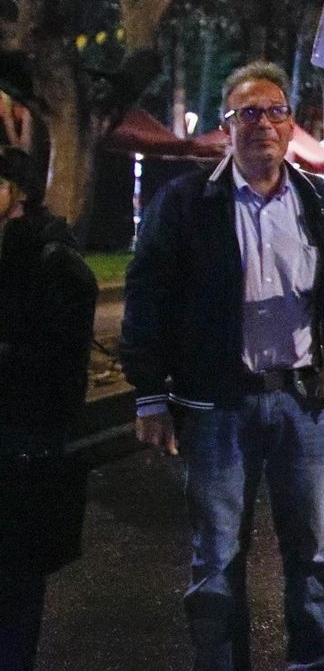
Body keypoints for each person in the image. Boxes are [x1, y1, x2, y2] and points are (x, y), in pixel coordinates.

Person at [121, 61, 324, 671]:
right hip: (217, 406)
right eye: (248, 113)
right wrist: (150, 395)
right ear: (227, 127)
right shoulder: (186, 202)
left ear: (291, 126)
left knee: (312, 552)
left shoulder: (322, 200)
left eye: (275, 112)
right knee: (217, 556)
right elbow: (147, 296)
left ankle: (313, 664)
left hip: (304, 404)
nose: (263, 123)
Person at [0, 149, 96, 671]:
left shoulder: (50, 256)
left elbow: (61, 363)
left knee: (14, 585)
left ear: (18, 192)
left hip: (21, 442)